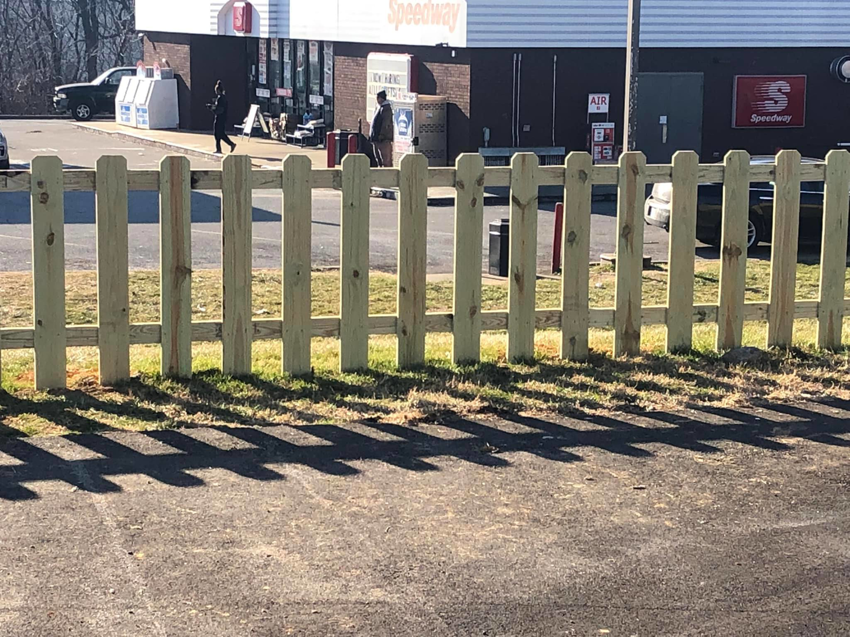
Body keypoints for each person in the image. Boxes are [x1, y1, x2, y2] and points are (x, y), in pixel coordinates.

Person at [209, 80, 236, 154]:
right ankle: (221, 148)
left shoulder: (220, 98)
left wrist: (212, 109)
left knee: (219, 133)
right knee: (219, 133)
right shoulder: (222, 98)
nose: (215, 92)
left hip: (220, 118)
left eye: (216, 90)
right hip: (222, 118)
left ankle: (229, 144)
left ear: (218, 90)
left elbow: (220, 109)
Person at [370, 90, 394, 168]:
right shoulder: (378, 108)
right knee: (378, 159)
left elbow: (386, 124)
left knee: (385, 160)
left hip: (383, 139)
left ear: (381, 98)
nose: (377, 100)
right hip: (376, 138)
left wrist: (382, 135)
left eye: (378, 98)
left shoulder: (386, 109)